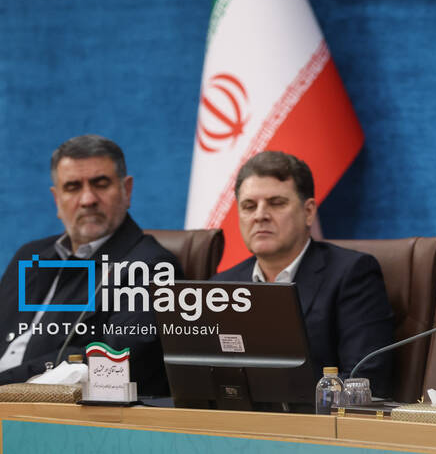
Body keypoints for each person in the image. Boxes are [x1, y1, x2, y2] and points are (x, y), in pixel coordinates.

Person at [0, 135, 184, 395]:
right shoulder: (30, 256)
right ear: (57, 199)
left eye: (100, 184)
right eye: (73, 187)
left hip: (49, 409)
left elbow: (114, 361)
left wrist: (6, 381)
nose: (87, 199)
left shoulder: (151, 267)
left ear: (127, 190)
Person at [212, 151, 394, 398]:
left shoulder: (351, 274)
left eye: (276, 203)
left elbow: (364, 379)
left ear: (308, 212)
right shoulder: (221, 287)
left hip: (317, 420)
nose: (260, 215)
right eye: (249, 206)